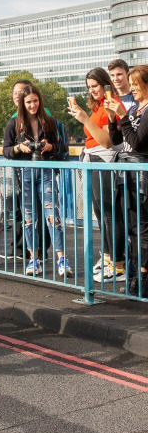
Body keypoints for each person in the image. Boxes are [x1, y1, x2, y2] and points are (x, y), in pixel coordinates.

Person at [3, 84, 71, 277]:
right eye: (28, 102)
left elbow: (59, 146)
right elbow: (6, 149)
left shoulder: (48, 121)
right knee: (28, 218)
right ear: (22, 104)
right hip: (24, 173)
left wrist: (50, 146)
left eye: (35, 101)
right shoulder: (13, 123)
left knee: (53, 216)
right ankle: (34, 258)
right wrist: (19, 148)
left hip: (46, 170)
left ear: (39, 101)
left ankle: (61, 258)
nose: (32, 105)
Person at [69, 67, 126, 282]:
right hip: (94, 161)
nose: (93, 90)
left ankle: (118, 264)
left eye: (96, 86)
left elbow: (107, 140)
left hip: (105, 160)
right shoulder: (98, 107)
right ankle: (110, 257)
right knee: (101, 212)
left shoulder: (111, 104)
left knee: (110, 213)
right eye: (89, 87)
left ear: (105, 84)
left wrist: (84, 119)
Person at [106, 64, 148, 294]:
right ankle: (135, 275)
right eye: (130, 84)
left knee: (142, 227)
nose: (132, 88)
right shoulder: (135, 110)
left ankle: (143, 278)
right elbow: (117, 141)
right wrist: (113, 118)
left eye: (135, 84)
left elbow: (139, 142)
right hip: (127, 174)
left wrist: (123, 116)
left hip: (142, 175)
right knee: (132, 227)